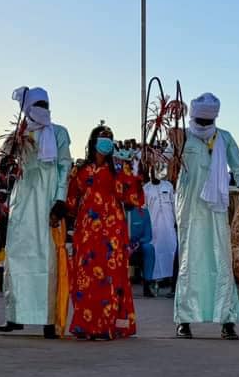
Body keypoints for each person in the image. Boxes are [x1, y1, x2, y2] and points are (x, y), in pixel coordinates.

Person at [174, 92, 239, 340]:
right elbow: (164, 167)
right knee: (189, 260)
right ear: (192, 117)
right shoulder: (181, 137)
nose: (202, 126)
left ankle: (227, 320)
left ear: (214, 120)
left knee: (221, 261)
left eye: (207, 123)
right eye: (199, 121)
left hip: (216, 208)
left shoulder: (224, 138)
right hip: (189, 207)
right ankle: (184, 319)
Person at [0, 86, 72, 339]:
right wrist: (7, 158)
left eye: (46, 104)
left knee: (47, 259)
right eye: (38, 104)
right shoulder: (19, 134)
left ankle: (48, 320)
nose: (43, 110)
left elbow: (64, 166)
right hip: (22, 204)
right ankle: (15, 315)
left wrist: (60, 200)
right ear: (27, 109)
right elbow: (5, 167)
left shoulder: (59, 133)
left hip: (48, 202)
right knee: (17, 258)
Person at [66, 130, 143, 339]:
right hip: (87, 230)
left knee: (111, 276)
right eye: (103, 138)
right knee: (86, 276)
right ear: (93, 142)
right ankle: (85, 325)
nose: (107, 142)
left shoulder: (118, 168)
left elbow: (131, 196)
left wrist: (135, 171)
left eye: (110, 138)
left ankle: (108, 325)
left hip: (112, 231)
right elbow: (71, 199)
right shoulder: (80, 170)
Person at [143, 168, 177, 295]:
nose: (152, 174)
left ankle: (171, 282)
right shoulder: (146, 188)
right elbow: (144, 209)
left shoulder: (168, 186)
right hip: (154, 227)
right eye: (150, 171)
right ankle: (156, 281)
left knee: (171, 250)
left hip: (169, 226)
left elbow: (174, 205)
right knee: (156, 253)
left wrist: (177, 223)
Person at [128, 200, 156, 297]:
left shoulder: (143, 212)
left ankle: (147, 286)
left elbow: (148, 236)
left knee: (149, 248)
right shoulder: (115, 211)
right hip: (119, 246)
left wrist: (136, 244)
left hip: (137, 246)